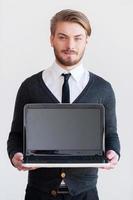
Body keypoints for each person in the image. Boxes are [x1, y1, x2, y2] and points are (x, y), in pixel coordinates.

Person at [7, 9, 120, 200]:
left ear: (87, 40)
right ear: (51, 39)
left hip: (86, 194)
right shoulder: (30, 86)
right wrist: (15, 155)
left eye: (77, 38)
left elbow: (111, 135)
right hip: (38, 193)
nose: (70, 45)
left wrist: (114, 152)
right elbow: (16, 135)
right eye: (62, 37)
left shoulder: (103, 89)